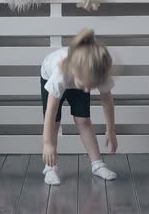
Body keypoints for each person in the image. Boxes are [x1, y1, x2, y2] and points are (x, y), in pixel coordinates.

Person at [40, 28, 118, 185]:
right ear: (75, 73)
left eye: (93, 86)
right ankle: (50, 167)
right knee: (54, 122)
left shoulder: (97, 71)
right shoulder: (59, 76)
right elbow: (51, 112)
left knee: (84, 121)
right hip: (49, 75)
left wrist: (111, 130)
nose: (88, 90)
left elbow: (107, 103)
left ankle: (97, 164)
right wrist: (47, 144)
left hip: (79, 78)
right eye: (87, 85)